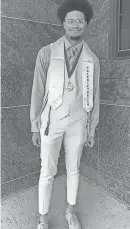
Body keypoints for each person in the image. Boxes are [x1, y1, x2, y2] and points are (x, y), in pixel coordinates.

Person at [30, 0, 100, 228]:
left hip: (79, 123)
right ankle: (42, 219)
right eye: (71, 20)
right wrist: (34, 124)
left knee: (73, 169)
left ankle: (70, 212)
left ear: (86, 24)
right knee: (47, 171)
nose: (75, 24)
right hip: (51, 121)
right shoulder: (47, 53)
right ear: (63, 23)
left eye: (80, 20)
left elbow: (95, 97)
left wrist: (92, 129)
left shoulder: (92, 60)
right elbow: (38, 92)